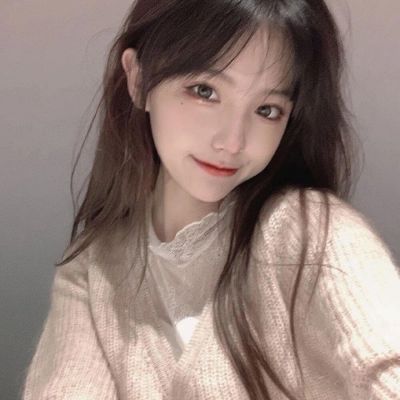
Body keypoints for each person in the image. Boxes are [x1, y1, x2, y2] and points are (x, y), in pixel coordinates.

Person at [22, 0, 400, 399]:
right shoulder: (93, 269)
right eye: (205, 91)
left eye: (267, 109)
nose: (232, 142)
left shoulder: (312, 234)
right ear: (138, 79)